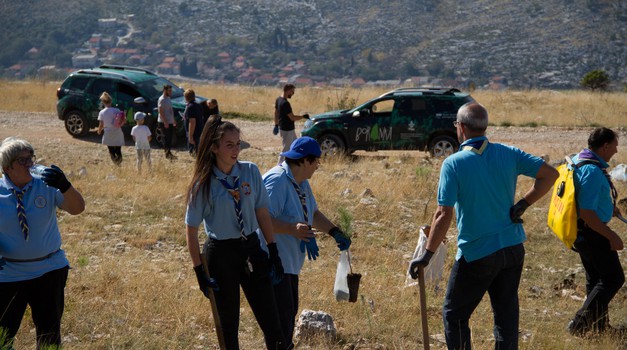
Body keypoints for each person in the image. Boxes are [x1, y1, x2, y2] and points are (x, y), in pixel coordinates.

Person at [408, 102, 559, 350]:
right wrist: (523, 203)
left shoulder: (454, 163)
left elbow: (443, 214)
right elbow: (550, 174)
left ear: (462, 128)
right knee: (506, 316)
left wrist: (427, 255)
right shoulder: (508, 152)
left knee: (454, 315)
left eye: (456, 124)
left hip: (477, 252)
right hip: (512, 247)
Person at [185, 115, 286, 349]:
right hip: (221, 254)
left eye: (238, 144)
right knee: (228, 327)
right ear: (214, 148)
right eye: (229, 145)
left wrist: (273, 250)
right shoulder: (203, 183)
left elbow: (262, 213)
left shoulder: (250, 171)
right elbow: (191, 230)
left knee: (272, 321)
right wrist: (199, 270)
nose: (236, 150)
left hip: (251, 247)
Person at [258, 136, 352, 348]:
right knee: (280, 327)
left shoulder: (301, 183)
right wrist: (292, 229)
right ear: (305, 161)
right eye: (317, 161)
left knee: (287, 319)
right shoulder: (277, 181)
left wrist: (334, 231)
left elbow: (313, 212)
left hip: (290, 265)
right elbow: (262, 220)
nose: (318, 166)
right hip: (273, 263)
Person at [0, 137, 85, 349]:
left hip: (48, 270)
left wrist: (65, 186)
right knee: (2, 335)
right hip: (8, 274)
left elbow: (77, 208)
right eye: (23, 161)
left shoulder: (46, 185)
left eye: (32, 158)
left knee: (49, 334)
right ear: (7, 167)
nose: (31, 165)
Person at [567, 127, 624, 336]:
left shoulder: (579, 159)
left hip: (582, 232)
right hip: (592, 232)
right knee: (613, 279)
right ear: (605, 146)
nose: (616, 151)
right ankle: (578, 325)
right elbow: (588, 212)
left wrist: (609, 208)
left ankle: (599, 326)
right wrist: (611, 235)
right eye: (615, 146)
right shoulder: (591, 171)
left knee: (596, 279)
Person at [274, 84, 309, 165]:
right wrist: (303, 116)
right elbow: (292, 117)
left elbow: (276, 113)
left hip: (285, 128)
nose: (293, 93)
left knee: (296, 145)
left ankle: (295, 162)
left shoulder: (278, 99)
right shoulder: (285, 103)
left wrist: (276, 125)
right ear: (288, 90)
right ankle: (279, 165)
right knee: (286, 148)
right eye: (292, 91)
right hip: (287, 130)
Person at [97, 92, 125, 165]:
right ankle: (119, 163)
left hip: (108, 131)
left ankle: (116, 164)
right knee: (118, 149)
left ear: (103, 102)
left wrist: (99, 130)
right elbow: (123, 120)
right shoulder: (117, 110)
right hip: (117, 131)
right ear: (111, 101)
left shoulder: (102, 112)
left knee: (111, 150)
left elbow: (101, 124)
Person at [158, 84, 177, 160]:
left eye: (171, 90)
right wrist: (165, 122)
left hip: (170, 121)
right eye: (169, 90)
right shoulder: (162, 99)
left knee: (170, 138)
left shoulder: (168, 98)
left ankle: (169, 152)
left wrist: (173, 119)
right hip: (164, 122)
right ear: (165, 90)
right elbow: (160, 111)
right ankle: (167, 154)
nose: (170, 92)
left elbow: (170, 110)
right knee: (166, 138)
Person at [183, 89, 204, 157]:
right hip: (199, 130)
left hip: (194, 133)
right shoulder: (198, 105)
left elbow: (192, 122)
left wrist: (190, 136)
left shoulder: (190, 107)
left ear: (186, 97)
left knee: (193, 152)